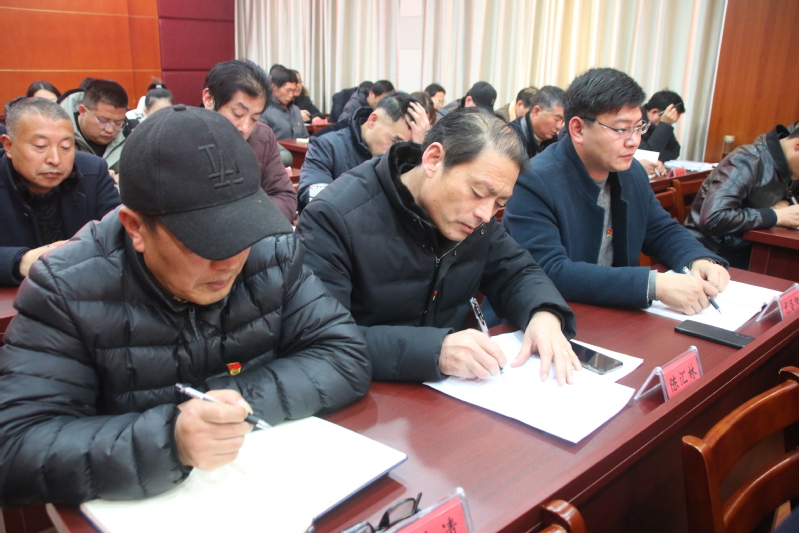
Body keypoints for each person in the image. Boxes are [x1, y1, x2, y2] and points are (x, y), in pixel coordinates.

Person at [0, 105, 371, 506]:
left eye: (243, 229)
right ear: (136, 227)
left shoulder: (270, 251)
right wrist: (169, 438)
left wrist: (228, 404)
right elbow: (14, 448)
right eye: (204, 241)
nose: (229, 260)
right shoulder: (67, 289)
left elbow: (344, 354)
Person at [296, 108, 579, 386]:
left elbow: (517, 272)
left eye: (500, 203)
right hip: (364, 392)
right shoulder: (335, 217)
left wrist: (543, 314)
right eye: (478, 192)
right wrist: (435, 351)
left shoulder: (476, 220)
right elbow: (320, 337)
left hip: (451, 394)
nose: (485, 214)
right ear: (433, 159)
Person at [503, 68, 730, 313]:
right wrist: (653, 285)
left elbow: (661, 230)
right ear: (578, 129)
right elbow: (549, 270)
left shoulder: (631, 173)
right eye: (621, 129)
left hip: (612, 312)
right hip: (549, 315)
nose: (634, 141)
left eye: (638, 127)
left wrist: (698, 259)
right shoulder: (534, 180)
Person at [0, 97, 119, 286]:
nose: (55, 159)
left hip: (84, 291)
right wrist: (19, 261)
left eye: (65, 147)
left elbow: (120, 235)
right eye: (40, 146)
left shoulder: (92, 171)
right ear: (9, 146)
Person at [684, 125, 799, 269]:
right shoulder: (747, 160)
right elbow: (714, 219)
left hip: (749, 249)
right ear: (797, 146)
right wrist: (775, 215)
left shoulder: (789, 165)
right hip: (712, 255)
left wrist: (785, 202)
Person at [297, 92, 430, 211]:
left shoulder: (404, 154)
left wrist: (419, 150)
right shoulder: (326, 144)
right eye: (394, 142)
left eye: (406, 145)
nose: (397, 151)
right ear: (373, 120)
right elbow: (314, 196)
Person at [202, 59, 297, 222]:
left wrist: (242, 219)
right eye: (238, 114)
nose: (245, 127)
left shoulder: (263, 137)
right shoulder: (180, 139)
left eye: (254, 118)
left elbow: (285, 198)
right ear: (209, 99)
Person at [60, 78, 132, 174]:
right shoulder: (56, 134)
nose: (110, 130)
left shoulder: (132, 136)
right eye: (103, 121)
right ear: (82, 111)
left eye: (118, 123)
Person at [509, 86, 565, 158]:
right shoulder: (511, 137)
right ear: (536, 112)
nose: (559, 126)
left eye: (563, 121)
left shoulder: (553, 142)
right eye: (556, 119)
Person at [259, 66, 308, 140]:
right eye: (288, 90)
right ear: (273, 87)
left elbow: (305, 137)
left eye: (293, 90)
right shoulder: (263, 110)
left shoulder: (295, 110)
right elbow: (261, 141)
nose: (291, 95)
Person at [639, 90, 685, 162]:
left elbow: (674, 150)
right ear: (654, 112)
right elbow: (647, 155)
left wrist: (657, 158)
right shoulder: (635, 123)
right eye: (667, 118)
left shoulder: (657, 125)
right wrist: (664, 124)